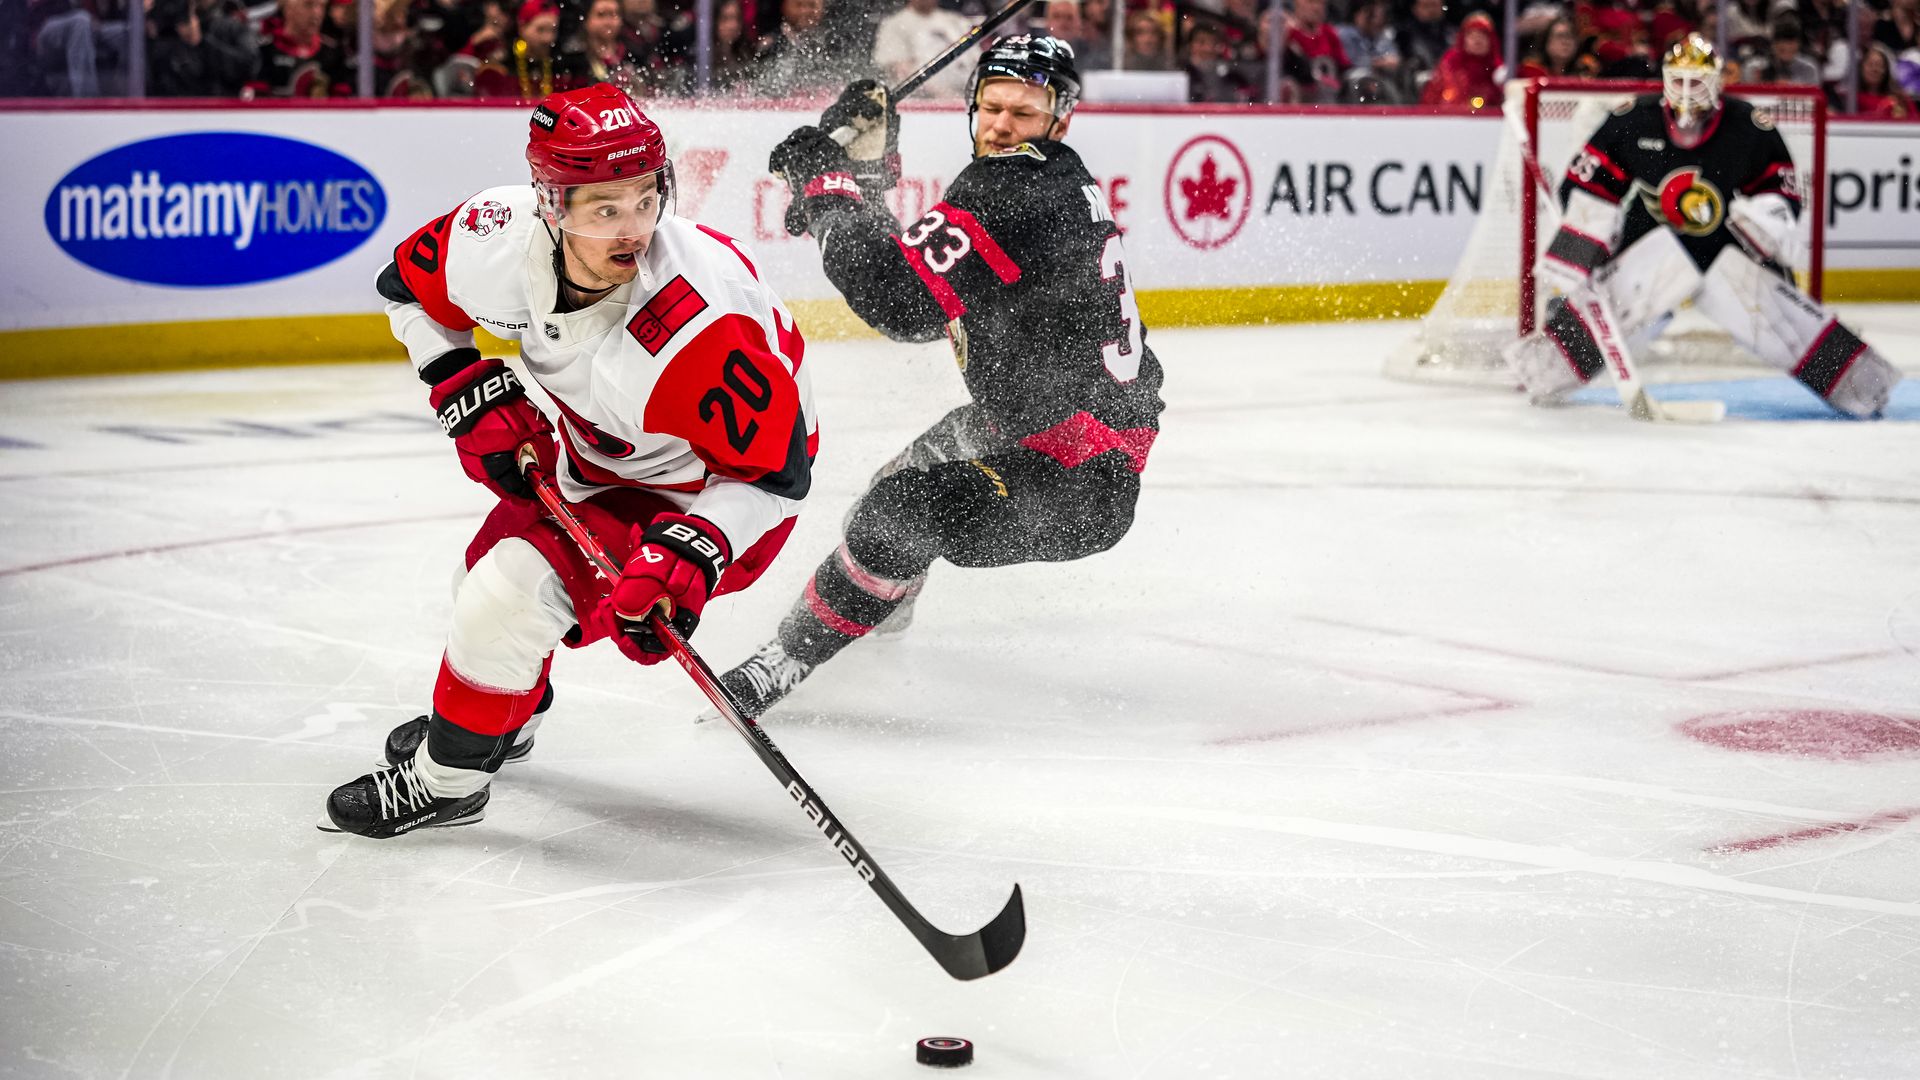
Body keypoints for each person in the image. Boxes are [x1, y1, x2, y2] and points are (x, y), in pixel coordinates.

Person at [321, 84, 817, 837]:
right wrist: (461, 383)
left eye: (647, 200)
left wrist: (694, 549)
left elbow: (778, 478)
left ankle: (447, 783)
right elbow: (406, 291)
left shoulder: (697, 330)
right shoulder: (495, 235)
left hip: (713, 492)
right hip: (606, 453)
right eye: (602, 209)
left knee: (508, 595)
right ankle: (505, 721)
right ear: (549, 204)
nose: (632, 232)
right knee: (481, 583)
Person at [714, 35, 1166, 720]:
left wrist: (829, 185)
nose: (1004, 126)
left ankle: (784, 661)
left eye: (1025, 111)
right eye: (992, 107)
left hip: (1075, 477)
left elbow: (894, 303)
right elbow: (928, 303)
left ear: (1061, 117)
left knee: (894, 516)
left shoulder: (1014, 185)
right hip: (1029, 432)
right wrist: (858, 186)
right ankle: (873, 616)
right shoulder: (1046, 179)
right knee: (886, 498)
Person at [1504, 35, 1900, 418]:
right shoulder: (1634, 119)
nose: (1688, 91)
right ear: (1664, 81)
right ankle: (1544, 370)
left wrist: (1766, 219)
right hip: (1648, 245)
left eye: (1698, 82)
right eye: (1679, 81)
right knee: (1611, 305)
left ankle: (1860, 385)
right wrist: (1581, 251)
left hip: (1725, 248)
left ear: (1717, 84)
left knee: (1777, 319)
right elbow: (1587, 188)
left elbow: (1782, 188)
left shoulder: (1748, 125)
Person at [872, 0, 975, 99]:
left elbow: (976, 59)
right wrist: (945, 94)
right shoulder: (895, 24)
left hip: (968, 93)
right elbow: (900, 71)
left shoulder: (955, 20)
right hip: (922, 103)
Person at [1420, 10, 1499, 107]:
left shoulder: (1499, 71)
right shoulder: (1450, 65)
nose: (1477, 40)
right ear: (1463, 38)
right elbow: (1432, 99)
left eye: (1483, 35)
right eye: (1472, 35)